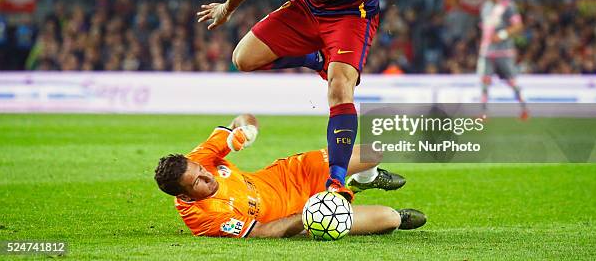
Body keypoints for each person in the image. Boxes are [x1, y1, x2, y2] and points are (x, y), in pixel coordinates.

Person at [196, 0, 474, 201]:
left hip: (352, 14)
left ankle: (338, 181)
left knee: (340, 87)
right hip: (310, 9)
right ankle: (316, 58)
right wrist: (227, 7)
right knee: (243, 58)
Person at [154, 114, 426, 238]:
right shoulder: (203, 218)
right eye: (198, 182)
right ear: (183, 195)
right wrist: (311, 214)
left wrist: (246, 130)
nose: (207, 176)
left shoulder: (199, 158)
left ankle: (361, 181)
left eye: (201, 171)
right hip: (299, 218)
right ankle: (373, 201)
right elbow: (261, 231)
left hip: (291, 175)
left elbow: (244, 117)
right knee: (390, 219)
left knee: (373, 153)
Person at [477, 0, 528, 119]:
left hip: (504, 51)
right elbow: (485, 28)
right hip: (487, 51)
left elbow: (518, 26)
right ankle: (483, 113)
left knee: (511, 81)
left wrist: (503, 34)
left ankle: (524, 108)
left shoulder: (508, 5)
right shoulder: (485, 7)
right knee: (484, 81)